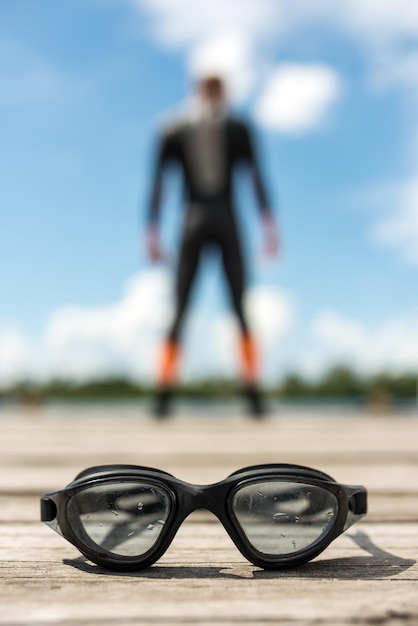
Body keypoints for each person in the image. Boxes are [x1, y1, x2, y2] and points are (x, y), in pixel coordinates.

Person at [146, 75, 279, 417]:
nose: (211, 95)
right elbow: (159, 181)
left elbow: (256, 176)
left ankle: (252, 391)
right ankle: (164, 391)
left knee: (239, 305)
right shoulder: (173, 130)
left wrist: (268, 223)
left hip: (229, 219)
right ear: (196, 92)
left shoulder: (238, 129)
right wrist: (151, 230)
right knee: (180, 306)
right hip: (192, 219)